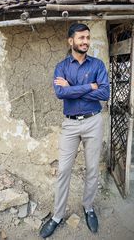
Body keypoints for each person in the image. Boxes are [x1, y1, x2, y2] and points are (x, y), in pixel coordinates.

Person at [40, 23, 110, 238]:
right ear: (71, 41)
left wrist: (73, 89)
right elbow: (61, 93)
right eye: (81, 38)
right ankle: (58, 215)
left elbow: (105, 94)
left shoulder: (97, 65)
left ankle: (88, 208)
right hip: (70, 124)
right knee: (63, 171)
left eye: (87, 37)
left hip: (93, 122)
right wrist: (90, 87)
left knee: (91, 169)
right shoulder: (61, 67)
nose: (85, 42)